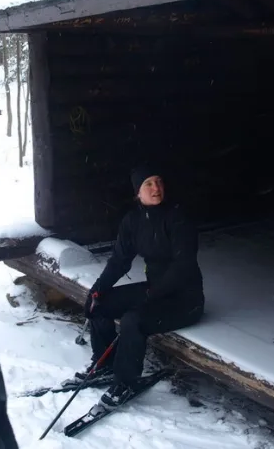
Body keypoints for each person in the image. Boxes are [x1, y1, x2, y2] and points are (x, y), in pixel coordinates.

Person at [73, 164, 205, 410]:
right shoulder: (133, 221)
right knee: (101, 304)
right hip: (154, 291)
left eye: (159, 181)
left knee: (134, 320)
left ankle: (125, 382)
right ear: (138, 192)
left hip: (185, 299)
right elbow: (119, 260)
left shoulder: (178, 218)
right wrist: (97, 288)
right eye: (149, 183)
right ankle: (105, 365)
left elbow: (183, 264)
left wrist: (152, 294)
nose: (156, 188)